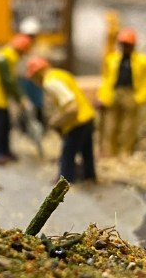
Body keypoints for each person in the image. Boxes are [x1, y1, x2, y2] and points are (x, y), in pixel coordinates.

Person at [26, 56, 97, 184]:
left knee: (68, 153)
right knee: (87, 152)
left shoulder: (50, 82)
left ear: (37, 74)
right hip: (88, 116)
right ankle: (89, 176)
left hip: (76, 122)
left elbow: (71, 107)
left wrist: (56, 121)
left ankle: (65, 180)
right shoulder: (61, 74)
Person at [96, 28, 146, 156]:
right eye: (122, 44)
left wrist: (140, 98)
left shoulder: (143, 62)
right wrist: (102, 97)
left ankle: (125, 153)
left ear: (133, 45)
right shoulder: (112, 59)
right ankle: (109, 153)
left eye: (127, 45)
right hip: (114, 94)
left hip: (131, 94)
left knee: (128, 128)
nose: (124, 47)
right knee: (110, 126)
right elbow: (106, 79)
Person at [0, 33, 33, 165]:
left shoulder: (8, 55)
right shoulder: (6, 57)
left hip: (1, 96)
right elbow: (8, 81)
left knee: (5, 125)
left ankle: (4, 150)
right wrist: (20, 98)